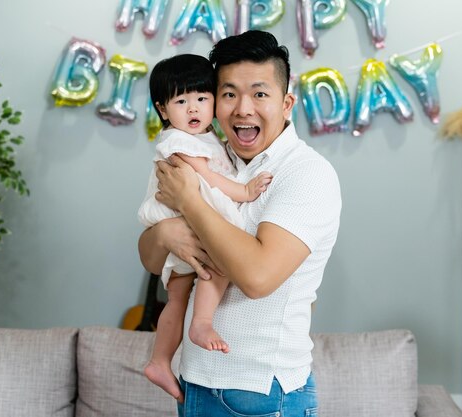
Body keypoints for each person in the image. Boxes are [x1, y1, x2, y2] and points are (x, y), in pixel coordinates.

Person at [138, 30, 341, 417]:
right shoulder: (214, 156)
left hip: (260, 391)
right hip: (196, 379)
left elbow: (257, 278)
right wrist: (165, 232)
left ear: (286, 103)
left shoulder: (307, 174)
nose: (242, 108)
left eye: (259, 94)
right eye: (229, 94)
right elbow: (152, 260)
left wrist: (188, 200)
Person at [138, 53, 273, 402]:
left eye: (202, 98)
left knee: (177, 296)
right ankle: (201, 323)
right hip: (188, 221)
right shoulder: (178, 141)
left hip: (181, 223)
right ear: (163, 109)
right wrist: (244, 191)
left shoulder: (207, 137)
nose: (194, 108)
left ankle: (159, 360)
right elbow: (207, 179)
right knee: (221, 264)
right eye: (182, 101)